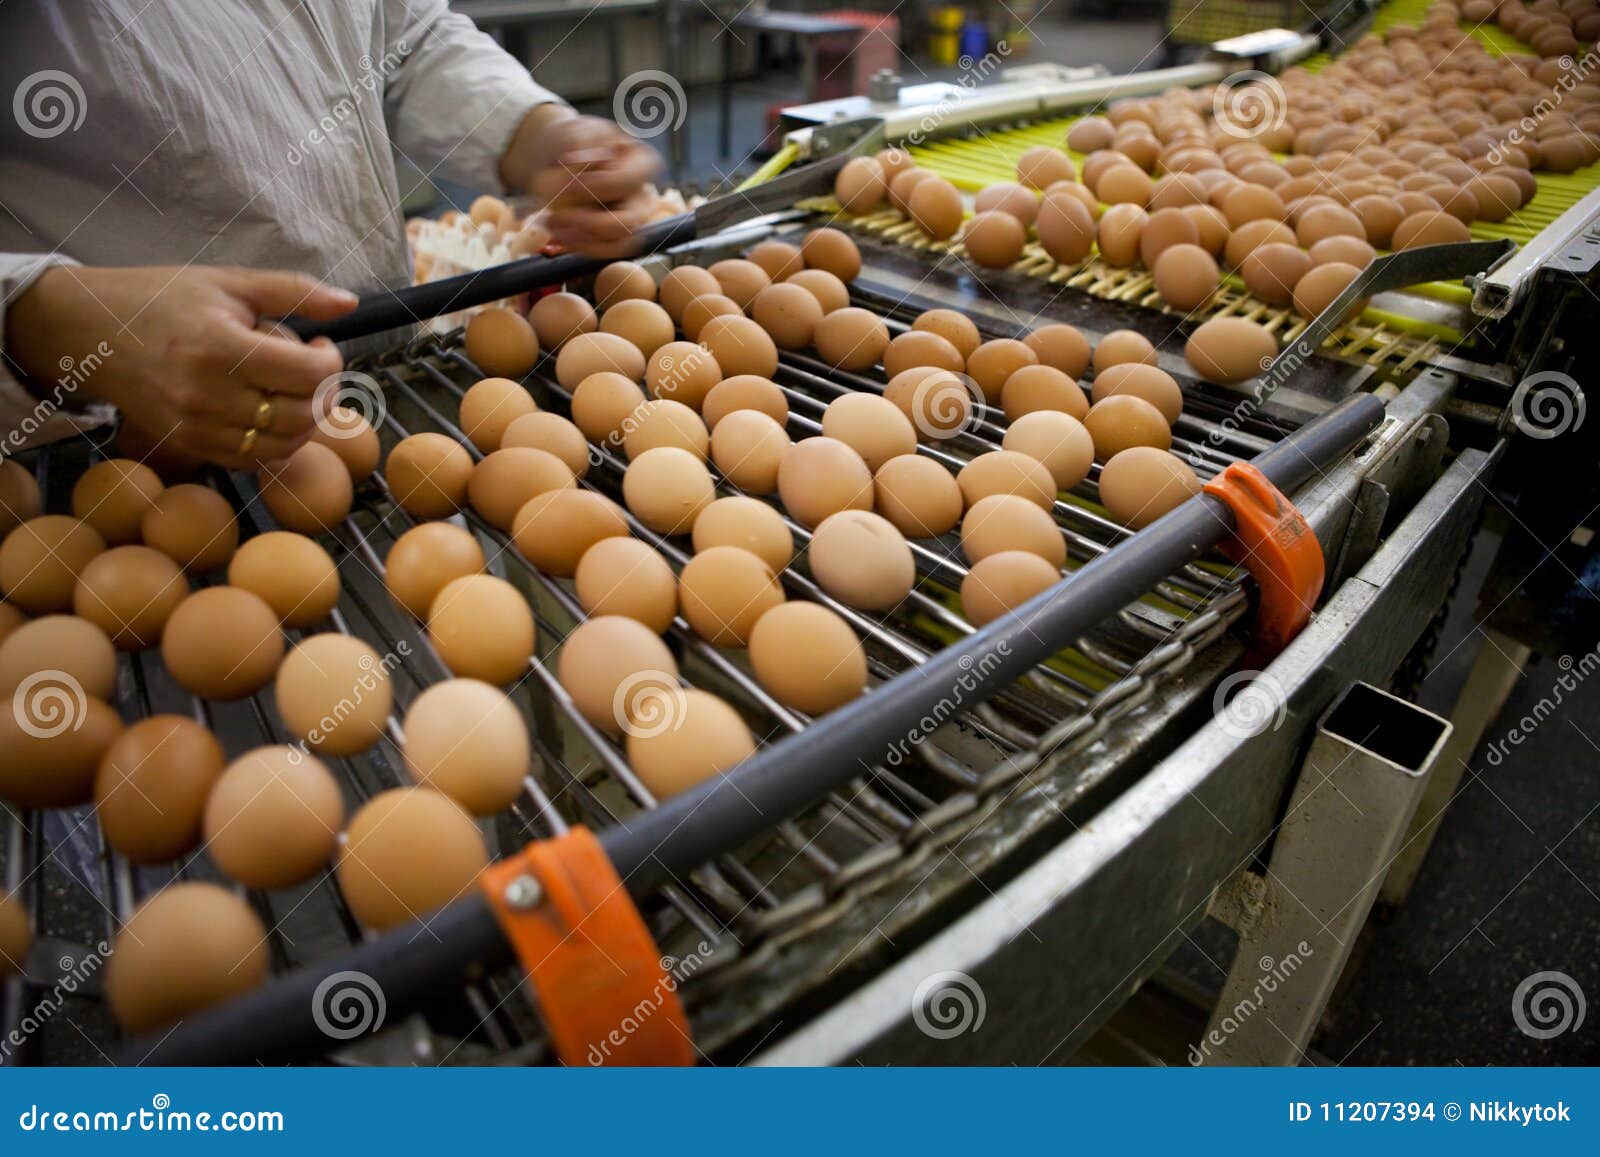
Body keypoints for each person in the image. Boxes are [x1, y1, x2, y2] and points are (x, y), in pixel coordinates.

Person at [0, 1, 661, 468]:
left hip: (374, 396)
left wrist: (538, 134)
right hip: (106, 451)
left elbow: (402, 36)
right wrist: (47, 318)